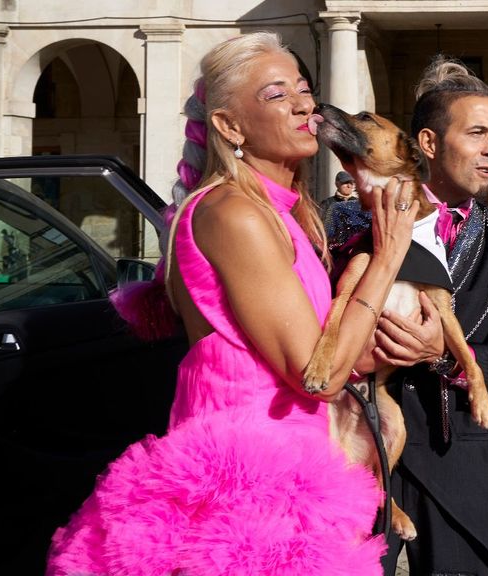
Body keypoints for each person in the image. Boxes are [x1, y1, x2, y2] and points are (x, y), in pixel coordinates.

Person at [46, 32, 419, 576]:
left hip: (299, 472)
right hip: (246, 488)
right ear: (228, 126)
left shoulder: (282, 214)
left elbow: (330, 355)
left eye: (303, 88)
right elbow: (317, 376)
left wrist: (417, 345)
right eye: (275, 94)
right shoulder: (235, 214)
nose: (303, 104)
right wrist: (386, 258)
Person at [329, 56, 488, 575]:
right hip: (353, 457)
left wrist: (446, 354)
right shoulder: (345, 221)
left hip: (456, 465)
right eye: (476, 133)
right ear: (428, 143)